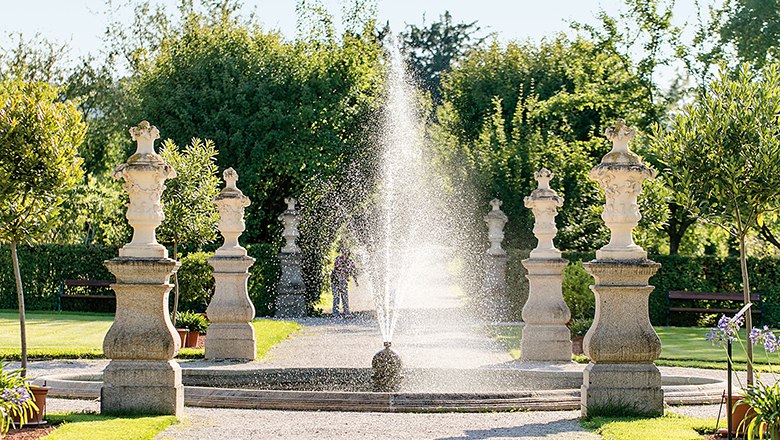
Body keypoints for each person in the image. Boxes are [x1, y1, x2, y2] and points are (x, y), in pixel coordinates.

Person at [331, 247, 357, 318]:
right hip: (335, 281)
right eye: (344, 253)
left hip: (343, 281)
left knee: (345, 297)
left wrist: (355, 281)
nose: (345, 255)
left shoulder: (350, 262)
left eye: (346, 253)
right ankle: (335, 314)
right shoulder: (338, 260)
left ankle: (346, 313)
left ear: (348, 254)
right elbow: (336, 269)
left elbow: (353, 272)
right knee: (336, 297)